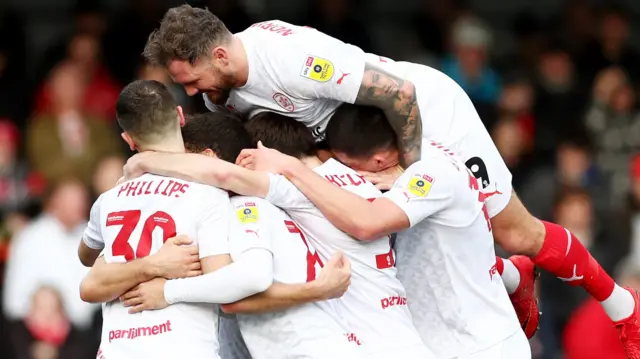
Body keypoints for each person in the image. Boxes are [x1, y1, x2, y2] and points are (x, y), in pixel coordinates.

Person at [141, 6, 640, 352]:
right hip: (359, 149)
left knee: (514, 232)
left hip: (422, 114)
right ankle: (511, 276)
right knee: (406, 243)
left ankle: (623, 308)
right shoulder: (218, 93)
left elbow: (397, 94)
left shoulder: (288, 59)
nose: (192, 91)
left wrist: (411, 175)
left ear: (221, 56)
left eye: (191, 79)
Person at [125, 112, 527, 358]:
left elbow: (228, 177)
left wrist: (145, 160)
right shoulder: (368, 184)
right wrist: (508, 273)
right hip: (406, 342)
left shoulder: (282, 196)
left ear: (263, 153)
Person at [118, 111, 361, 359]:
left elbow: (250, 281)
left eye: (181, 162)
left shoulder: (244, 207)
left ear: (206, 160)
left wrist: (168, 291)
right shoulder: (259, 203)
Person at [77, 79, 235, 359]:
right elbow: (225, 285)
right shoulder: (208, 194)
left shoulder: (110, 198)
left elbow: (86, 255)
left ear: (129, 140)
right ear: (180, 116)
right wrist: (161, 274)